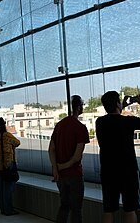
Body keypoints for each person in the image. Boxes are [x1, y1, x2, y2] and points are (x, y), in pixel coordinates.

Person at [96, 91, 140, 223]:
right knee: (129, 208)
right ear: (117, 104)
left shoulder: (99, 122)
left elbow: (113, 118)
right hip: (127, 171)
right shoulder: (128, 121)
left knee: (108, 209)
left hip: (108, 171)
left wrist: (120, 105)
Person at [50, 95, 90, 223]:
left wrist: (56, 169)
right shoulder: (81, 128)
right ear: (79, 107)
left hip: (60, 176)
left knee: (64, 206)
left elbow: (51, 149)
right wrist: (63, 166)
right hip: (74, 175)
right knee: (76, 210)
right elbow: (77, 157)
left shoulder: (59, 125)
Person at [0, 118, 21, 216]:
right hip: (7, 164)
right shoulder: (6, 135)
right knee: (8, 187)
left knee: (0, 187)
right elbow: (17, 142)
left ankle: (3, 209)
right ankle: (9, 210)